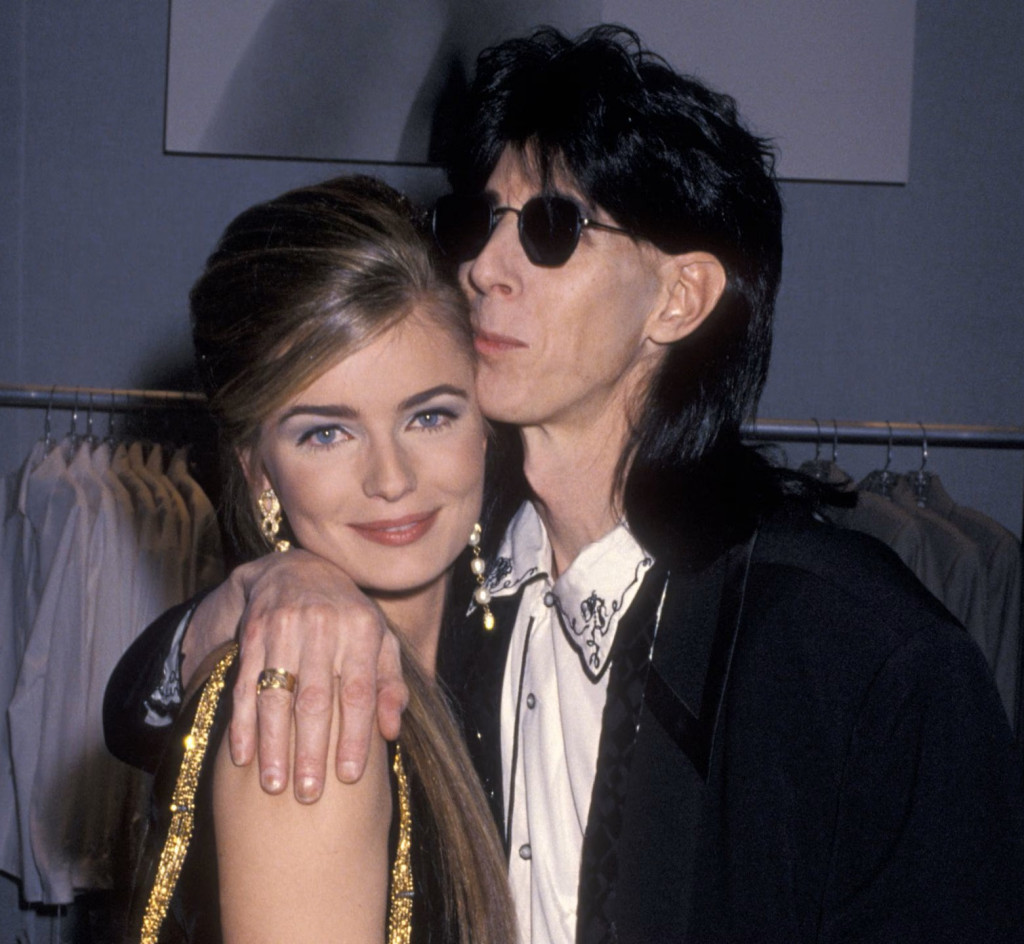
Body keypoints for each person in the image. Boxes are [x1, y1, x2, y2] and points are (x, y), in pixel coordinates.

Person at [108, 26, 1024, 943]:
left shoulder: (857, 651)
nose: (482, 268)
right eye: (482, 220)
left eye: (552, 227)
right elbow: (140, 715)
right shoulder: (442, 561)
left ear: (679, 298)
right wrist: (265, 586)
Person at [120, 175, 516, 942]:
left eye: (430, 415)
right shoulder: (306, 710)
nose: (392, 479)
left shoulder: (520, 628)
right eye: (325, 433)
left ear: (486, 421)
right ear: (259, 471)